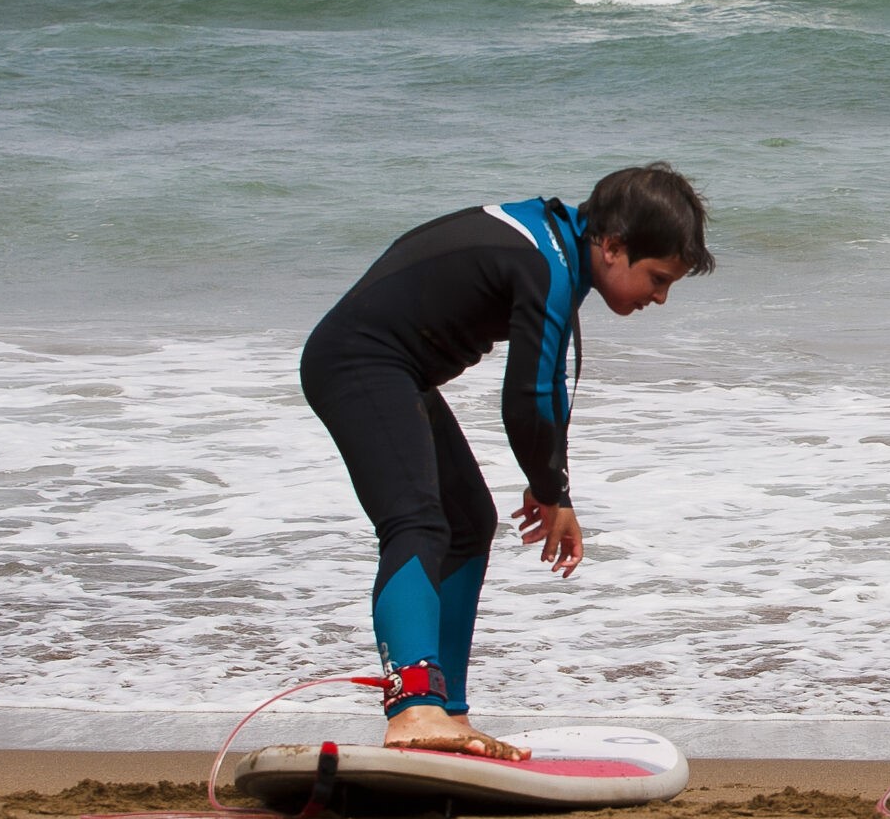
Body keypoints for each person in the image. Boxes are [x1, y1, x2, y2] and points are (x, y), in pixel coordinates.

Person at [299, 164, 714, 761]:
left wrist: (552, 483)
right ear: (614, 245)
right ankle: (413, 709)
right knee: (417, 521)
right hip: (359, 361)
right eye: (657, 278)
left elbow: (552, 384)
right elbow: (526, 396)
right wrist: (553, 491)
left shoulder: (557, 253)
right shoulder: (546, 262)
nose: (660, 296)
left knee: (467, 522)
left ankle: (448, 711)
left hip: (392, 369)